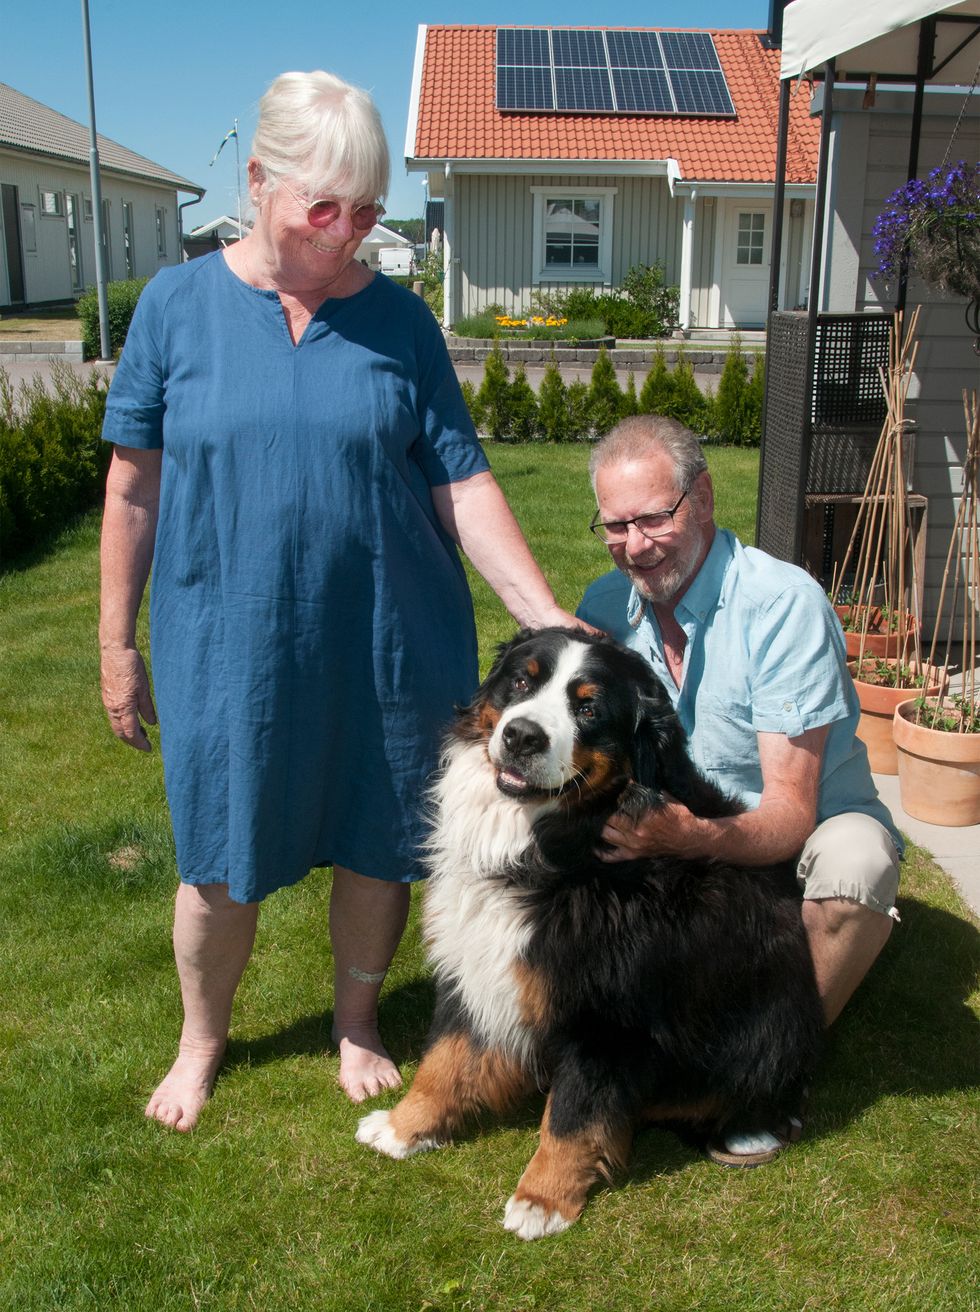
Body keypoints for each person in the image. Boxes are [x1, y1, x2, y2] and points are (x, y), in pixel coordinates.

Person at [99, 69, 584, 1132]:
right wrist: (115, 643)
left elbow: (459, 477)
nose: (350, 230)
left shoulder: (399, 322)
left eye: (367, 209)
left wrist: (543, 608)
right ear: (257, 179)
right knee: (221, 853)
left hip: (387, 640)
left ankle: (357, 1021)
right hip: (230, 641)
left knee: (375, 836)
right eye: (326, 207)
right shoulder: (174, 308)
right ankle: (201, 1039)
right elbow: (133, 484)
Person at [577, 415, 902, 1166]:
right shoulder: (602, 609)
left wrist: (688, 839)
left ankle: (765, 1077)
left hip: (793, 831)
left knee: (857, 869)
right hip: (680, 834)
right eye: (616, 525)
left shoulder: (782, 606)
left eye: (655, 517)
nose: (636, 544)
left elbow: (789, 814)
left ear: (704, 496)